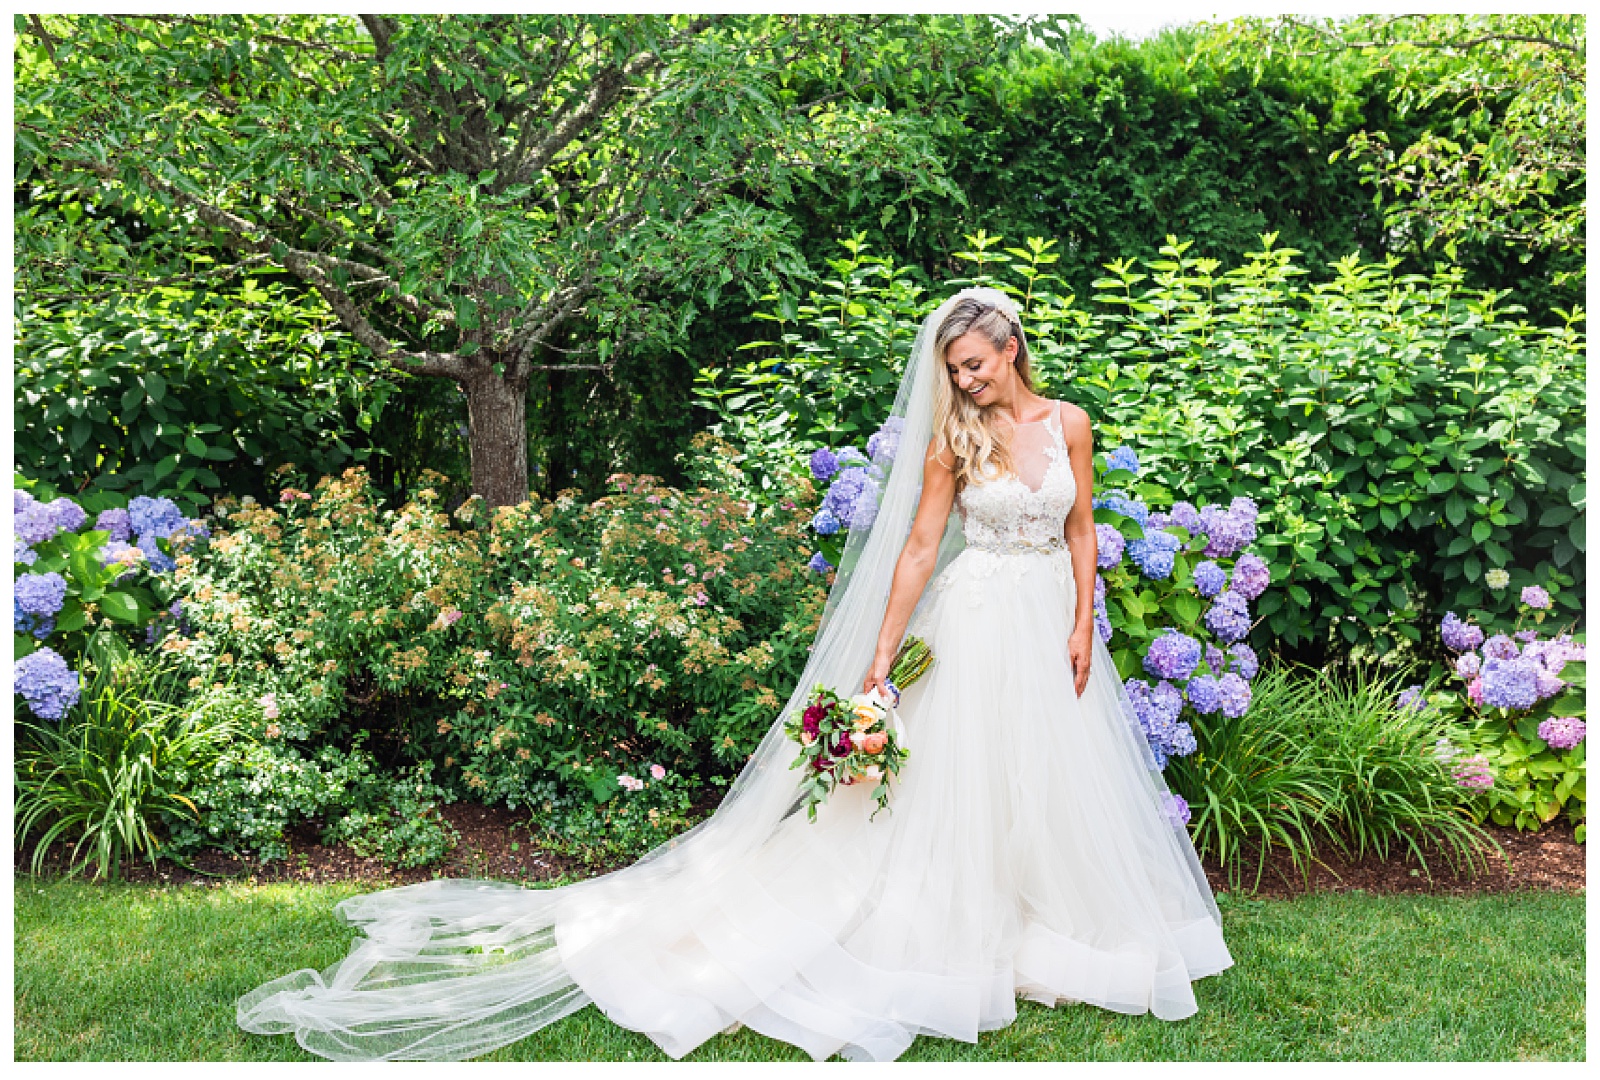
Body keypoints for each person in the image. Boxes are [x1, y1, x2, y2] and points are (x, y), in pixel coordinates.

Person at [238, 286, 1233, 1062]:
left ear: (1011, 348)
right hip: (974, 621)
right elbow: (921, 550)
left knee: (1050, 779)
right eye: (954, 370)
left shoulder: (1066, 423)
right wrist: (881, 663)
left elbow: (1080, 523)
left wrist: (1081, 621)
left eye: (975, 365)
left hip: (1045, 621)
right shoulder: (950, 439)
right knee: (963, 783)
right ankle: (961, 932)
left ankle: (1049, 923)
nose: (967, 382)